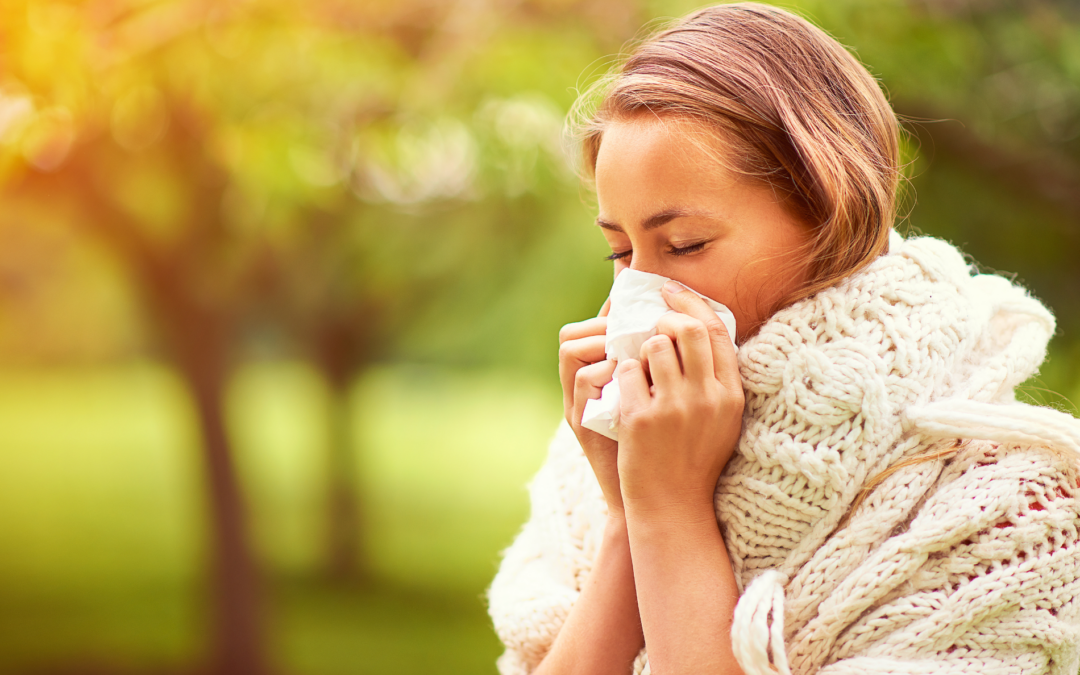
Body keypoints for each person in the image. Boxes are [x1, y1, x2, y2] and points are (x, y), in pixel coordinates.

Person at [487, 4, 1080, 675]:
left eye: (684, 245)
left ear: (830, 213)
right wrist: (630, 517)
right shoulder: (592, 471)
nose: (636, 300)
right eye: (620, 251)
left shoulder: (1007, 509)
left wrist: (675, 513)